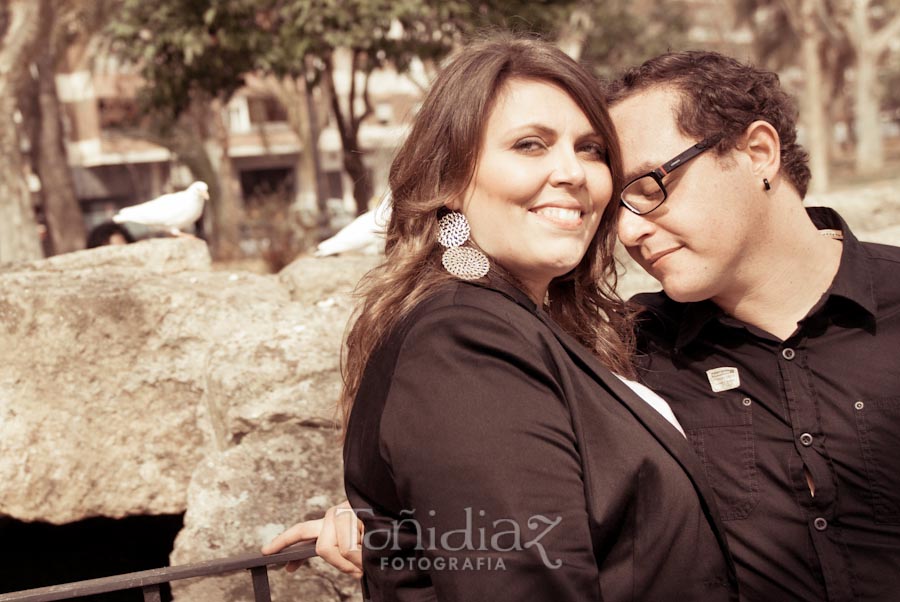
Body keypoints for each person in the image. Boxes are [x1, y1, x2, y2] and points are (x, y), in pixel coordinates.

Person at [267, 37, 738, 602]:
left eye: (591, 149)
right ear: (452, 183)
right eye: (530, 145)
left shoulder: (534, 326)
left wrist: (413, 532)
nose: (572, 172)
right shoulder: (463, 340)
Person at [608, 50, 900, 602]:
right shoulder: (629, 353)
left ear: (758, 152)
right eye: (614, 208)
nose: (627, 230)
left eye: (649, 186)